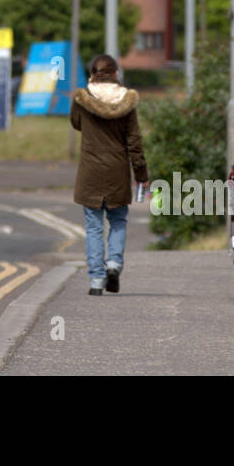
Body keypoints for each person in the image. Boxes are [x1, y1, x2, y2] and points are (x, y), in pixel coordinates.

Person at [70, 54, 149, 295]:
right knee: (117, 221)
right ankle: (113, 264)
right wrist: (141, 173)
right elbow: (134, 140)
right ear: (116, 74)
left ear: (92, 73)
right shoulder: (127, 101)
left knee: (94, 227)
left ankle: (96, 281)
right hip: (117, 170)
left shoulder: (81, 99)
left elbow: (76, 123)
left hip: (90, 171)